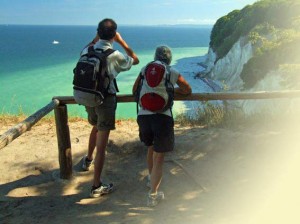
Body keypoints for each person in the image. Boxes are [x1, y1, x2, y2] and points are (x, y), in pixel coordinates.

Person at [81, 18, 139, 198]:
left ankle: (87, 160)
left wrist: (96, 37)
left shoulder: (87, 50)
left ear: (98, 33)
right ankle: (96, 185)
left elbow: (89, 47)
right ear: (114, 34)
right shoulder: (114, 55)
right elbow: (135, 60)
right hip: (105, 99)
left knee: (95, 127)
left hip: (88, 96)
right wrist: (121, 42)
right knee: (102, 144)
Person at [132, 45, 192, 206]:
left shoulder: (145, 68)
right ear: (169, 58)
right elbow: (187, 89)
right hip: (162, 118)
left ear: (155, 56)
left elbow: (134, 90)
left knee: (150, 148)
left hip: (144, 116)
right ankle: (153, 195)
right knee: (159, 157)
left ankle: (151, 179)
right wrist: (171, 91)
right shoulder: (171, 71)